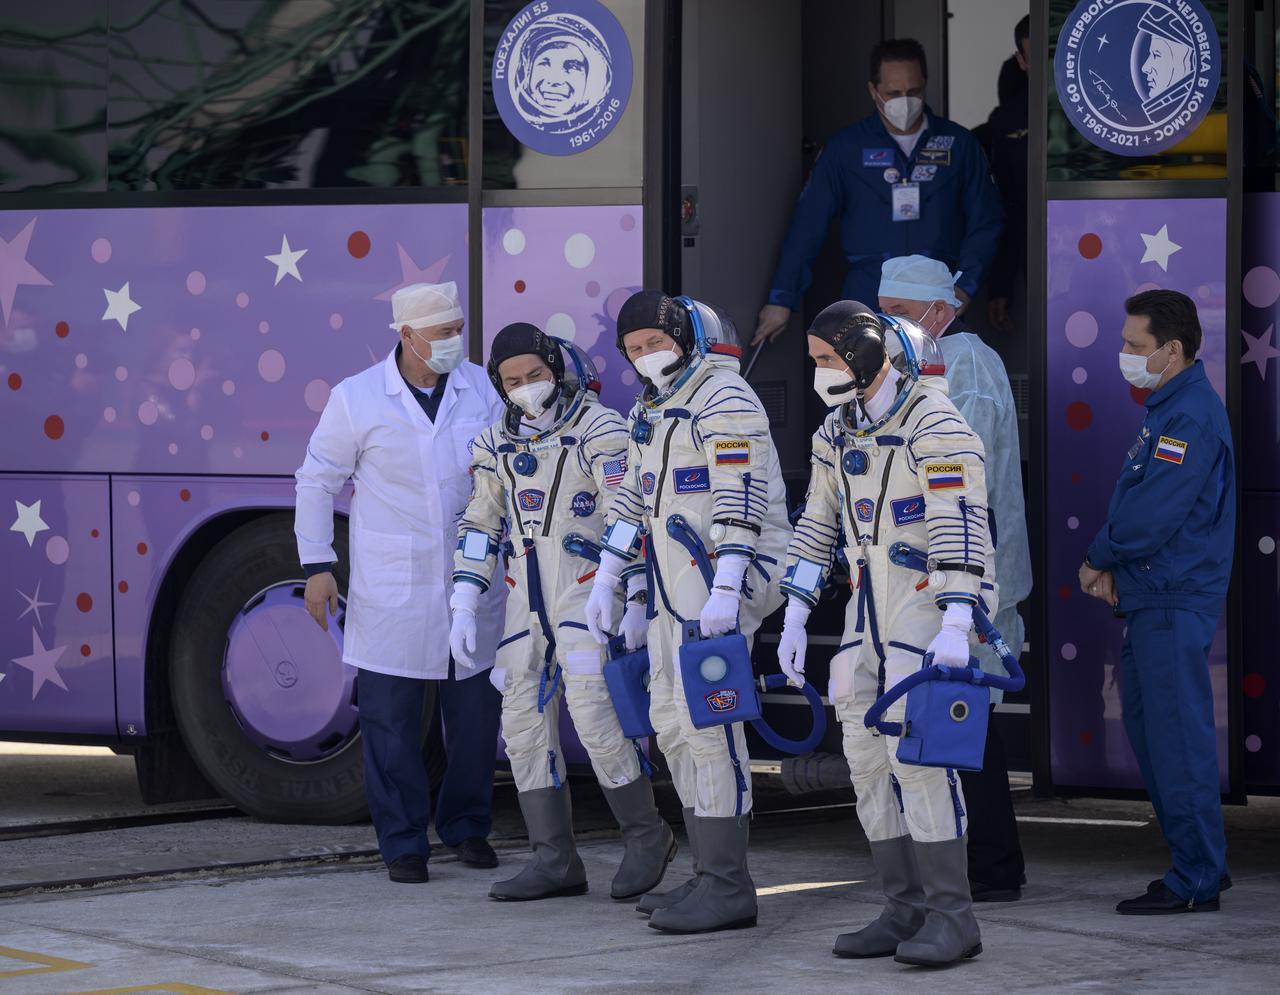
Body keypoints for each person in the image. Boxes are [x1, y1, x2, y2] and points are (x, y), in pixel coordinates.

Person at [777, 302, 993, 966]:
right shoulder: (836, 433)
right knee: (866, 759)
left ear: (867, 354)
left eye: (826, 358)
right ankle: (903, 907)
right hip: (865, 613)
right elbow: (817, 522)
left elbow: (961, 521)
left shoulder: (935, 423)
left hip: (927, 611)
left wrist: (959, 618)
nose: (818, 372)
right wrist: (794, 608)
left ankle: (953, 915)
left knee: (920, 762)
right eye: (813, 359)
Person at [584, 291, 791, 934]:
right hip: (678, 587)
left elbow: (742, 498)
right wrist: (614, 580)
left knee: (711, 731)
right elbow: (632, 502)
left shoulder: (724, 400)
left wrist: (728, 587)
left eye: (656, 342)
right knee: (672, 723)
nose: (646, 356)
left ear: (689, 339)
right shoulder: (653, 408)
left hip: (726, 581)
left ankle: (730, 885)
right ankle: (706, 873)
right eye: (635, 347)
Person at [448, 322, 676, 903]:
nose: (526, 387)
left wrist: (636, 598)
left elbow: (633, 516)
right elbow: (480, 523)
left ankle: (646, 835)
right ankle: (554, 859)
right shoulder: (495, 442)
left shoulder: (599, 430)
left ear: (556, 370)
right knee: (521, 725)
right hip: (527, 603)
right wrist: (465, 600)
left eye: (536, 375)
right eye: (513, 380)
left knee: (595, 716)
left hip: (588, 594)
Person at [295, 281, 507, 884]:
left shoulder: (481, 388)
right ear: (407, 336)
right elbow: (316, 481)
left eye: (458, 329)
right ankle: (404, 841)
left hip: (472, 580)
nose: (454, 343)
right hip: (394, 586)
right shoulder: (358, 398)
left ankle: (467, 827)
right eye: (442, 333)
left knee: (473, 717)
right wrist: (317, 567)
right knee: (389, 723)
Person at [879, 254, 1029, 901]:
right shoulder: (947, 357)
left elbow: (943, 476)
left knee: (961, 724)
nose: (890, 330)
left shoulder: (958, 360)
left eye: (904, 315)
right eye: (883, 314)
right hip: (944, 574)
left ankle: (990, 866)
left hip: (959, 575)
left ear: (941, 312)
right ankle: (978, 863)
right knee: (958, 721)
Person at [1079, 289, 1234, 915]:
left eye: (1134, 346)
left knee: (1176, 738)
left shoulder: (1189, 415)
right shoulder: (1167, 406)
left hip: (1170, 598)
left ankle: (1197, 875)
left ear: (1173, 350)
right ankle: (1199, 865)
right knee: (1152, 729)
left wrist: (1097, 557)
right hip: (1153, 594)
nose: (1123, 354)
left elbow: (1153, 514)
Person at [753, 38, 1003, 345]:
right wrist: (782, 298)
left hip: (937, 296)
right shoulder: (846, 148)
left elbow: (987, 220)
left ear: (925, 84)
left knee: (935, 388)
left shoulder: (958, 144)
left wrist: (965, 285)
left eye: (913, 91)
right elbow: (808, 225)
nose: (905, 100)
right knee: (867, 389)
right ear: (873, 90)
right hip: (868, 290)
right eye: (893, 93)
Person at [986, 16, 1030, 334]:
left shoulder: (1106, 107)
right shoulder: (1008, 121)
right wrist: (1000, 285)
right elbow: (1008, 206)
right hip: (1040, 258)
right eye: (1036, 58)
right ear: (1021, 61)